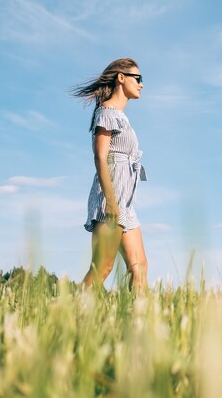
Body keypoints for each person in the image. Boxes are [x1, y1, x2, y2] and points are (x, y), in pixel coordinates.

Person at [72, 58, 148, 291]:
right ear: (121, 78)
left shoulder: (121, 117)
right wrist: (112, 202)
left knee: (139, 267)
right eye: (139, 78)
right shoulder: (107, 113)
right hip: (110, 199)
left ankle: (137, 324)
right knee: (103, 267)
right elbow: (100, 158)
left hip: (125, 203)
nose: (142, 84)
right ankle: (70, 314)